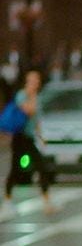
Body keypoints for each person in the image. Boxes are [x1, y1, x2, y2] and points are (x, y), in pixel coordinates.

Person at [2, 70, 54, 219]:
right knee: (15, 170)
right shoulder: (22, 95)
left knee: (41, 167)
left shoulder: (37, 97)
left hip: (30, 138)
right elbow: (29, 111)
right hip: (19, 138)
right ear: (27, 81)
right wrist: (31, 96)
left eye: (37, 80)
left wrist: (41, 136)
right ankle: (7, 200)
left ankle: (46, 201)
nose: (35, 82)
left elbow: (36, 120)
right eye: (32, 80)